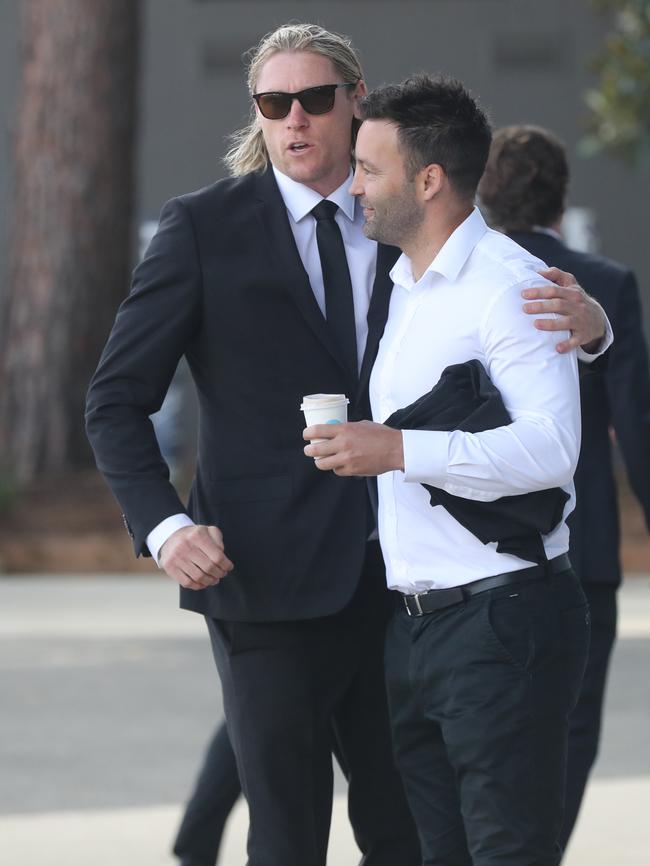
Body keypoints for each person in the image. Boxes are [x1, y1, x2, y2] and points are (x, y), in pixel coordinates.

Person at [85, 23, 608, 866]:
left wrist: (595, 331)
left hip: (401, 587)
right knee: (288, 837)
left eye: (314, 99)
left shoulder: (404, 219)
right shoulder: (202, 229)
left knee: (405, 835)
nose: (293, 120)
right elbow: (114, 401)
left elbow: (494, 302)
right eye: (272, 103)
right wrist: (165, 527)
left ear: (355, 102)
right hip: (261, 582)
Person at [305, 74, 597, 866]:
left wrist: (399, 451)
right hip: (418, 628)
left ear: (429, 181)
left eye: (370, 168)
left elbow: (550, 450)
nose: (352, 183)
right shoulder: (406, 286)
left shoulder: (512, 288)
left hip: (503, 624)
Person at [478, 124, 650, 853]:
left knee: (484, 735)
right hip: (585, 550)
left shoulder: (469, 281)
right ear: (562, 198)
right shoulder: (604, 286)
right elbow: (638, 424)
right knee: (570, 733)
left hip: (479, 550)